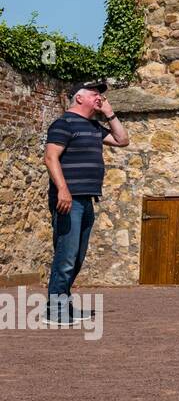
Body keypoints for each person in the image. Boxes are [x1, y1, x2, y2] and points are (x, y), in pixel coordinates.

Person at [42, 79, 130, 324]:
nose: (99, 97)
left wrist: (109, 113)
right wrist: (63, 190)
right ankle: (55, 311)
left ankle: (64, 305)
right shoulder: (63, 123)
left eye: (100, 94)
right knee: (66, 256)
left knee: (77, 257)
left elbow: (122, 140)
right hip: (68, 200)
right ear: (79, 98)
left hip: (87, 199)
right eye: (94, 94)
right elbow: (50, 158)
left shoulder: (93, 126)